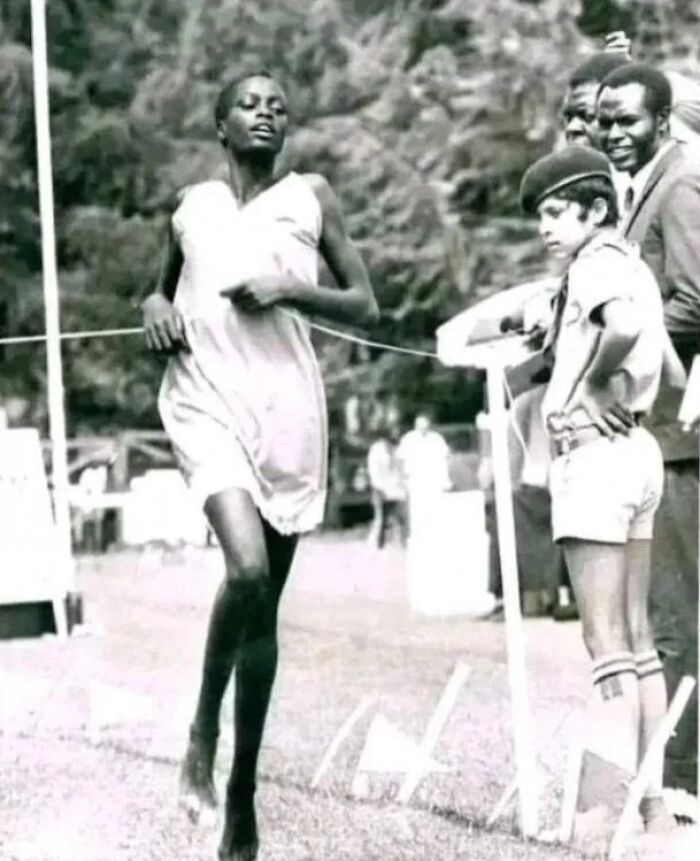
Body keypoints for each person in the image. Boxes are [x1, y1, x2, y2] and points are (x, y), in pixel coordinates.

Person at [141, 69, 378, 861]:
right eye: (250, 104)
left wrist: (287, 287)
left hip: (286, 410)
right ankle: (203, 726)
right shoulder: (191, 206)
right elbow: (158, 292)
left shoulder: (312, 197)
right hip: (205, 399)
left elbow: (365, 303)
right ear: (220, 125)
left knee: (263, 611)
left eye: (280, 104)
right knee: (244, 571)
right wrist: (152, 306)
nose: (267, 113)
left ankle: (241, 792)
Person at [519, 145, 677, 830]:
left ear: (594, 210)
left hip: (595, 458)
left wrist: (589, 380)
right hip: (641, 449)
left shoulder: (592, 266)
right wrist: (592, 361)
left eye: (558, 212)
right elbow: (669, 364)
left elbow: (624, 328)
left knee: (605, 643)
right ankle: (652, 808)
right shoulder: (633, 265)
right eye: (541, 216)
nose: (546, 228)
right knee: (639, 643)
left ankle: (596, 818)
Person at [597, 62, 700, 798]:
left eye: (627, 121)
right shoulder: (637, 195)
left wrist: (617, 353)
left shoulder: (681, 187)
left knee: (674, 620)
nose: (612, 134)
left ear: (663, 122)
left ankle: (682, 786)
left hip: (676, 436)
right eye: (605, 121)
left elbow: (695, 300)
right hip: (652, 434)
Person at [396, 411, 451, 533]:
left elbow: (445, 458)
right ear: (415, 426)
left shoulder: (436, 439)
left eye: (425, 426)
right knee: (416, 508)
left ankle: (435, 530)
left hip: (433, 479)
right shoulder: (408, 439)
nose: (423, 429)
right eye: (420, 426)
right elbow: (400, 459)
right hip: (415, 479)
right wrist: (402, 478)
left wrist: (445, 479)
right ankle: (417, 532)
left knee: (434, 506)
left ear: (429, 426)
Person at [366, 428, 407, 549]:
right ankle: (377, 544)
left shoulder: (397, 450)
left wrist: (402, 485)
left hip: (395, 487)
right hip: (381, 487)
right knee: (381, 518)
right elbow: (373, 470)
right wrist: (380, 487)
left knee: (401, 517)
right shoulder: (377, 450)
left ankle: (402, 543)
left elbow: (400, 469)